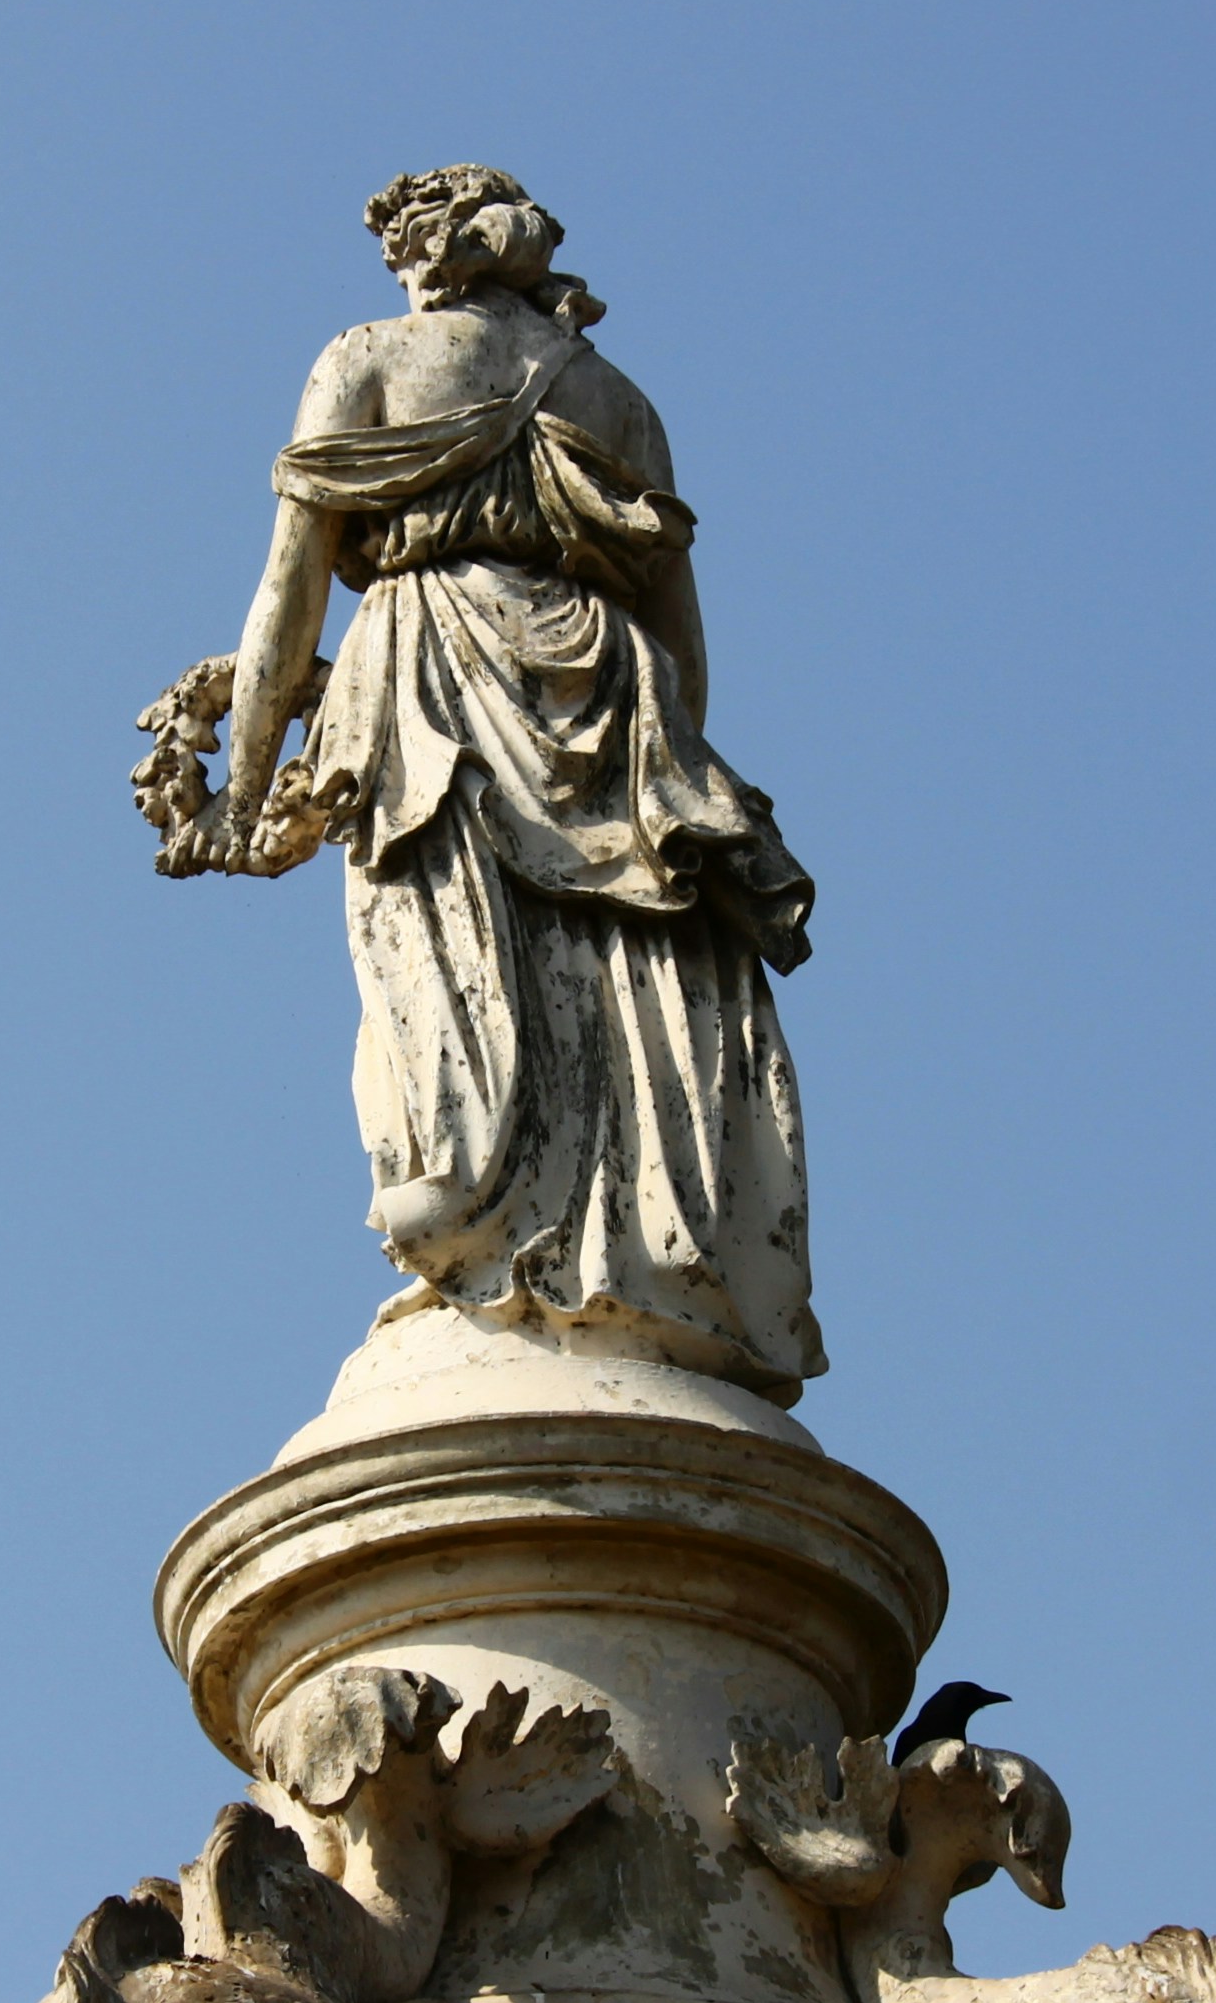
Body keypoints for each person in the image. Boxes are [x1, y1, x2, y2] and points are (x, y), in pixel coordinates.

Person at [187, 166, 825, 1401]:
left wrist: (240, 787)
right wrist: (649, 760)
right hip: (611, 686)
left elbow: (290, 591)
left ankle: (474, 1232)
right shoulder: (616, 399)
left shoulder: (366, 361)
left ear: (426, 253)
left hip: (431, 682)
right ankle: (637, 1262)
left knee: (442, 974)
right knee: (621, 980)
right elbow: (683, 645)